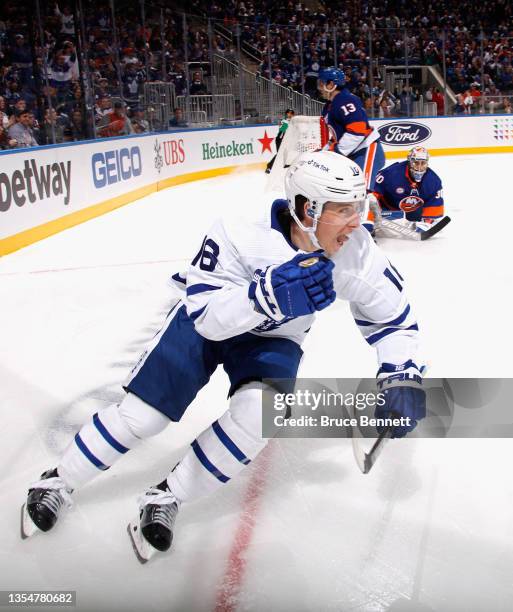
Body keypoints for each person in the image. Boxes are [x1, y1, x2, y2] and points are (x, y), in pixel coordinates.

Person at [21, 151, 425, 563]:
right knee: (143, 417)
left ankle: (166, 496)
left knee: (258, 416)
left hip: (275, 337)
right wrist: (265, 296)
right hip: (207, 322)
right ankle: (58, 481)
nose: (357, 222)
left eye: (357, 208)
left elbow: (393, 317)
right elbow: (207, 319)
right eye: (343, 210)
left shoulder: (357, 252)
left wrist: (400, 372)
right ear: (308, 208)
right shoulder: (239, 232)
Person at [317, 67, 385, 190]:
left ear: (331, 84)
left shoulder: (345, 100)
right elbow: (339, 136)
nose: (320, 87)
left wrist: (337, 152)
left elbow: (358, 131)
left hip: (367, 151)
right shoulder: (329, 106)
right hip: (353, 153)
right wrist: (325, 152)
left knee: (362, 190)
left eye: (322, 83)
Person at [367, 146, 444, 235]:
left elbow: (433, 205)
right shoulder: (391, 173)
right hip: (385, 209)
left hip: (410, 212)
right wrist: (372, 208)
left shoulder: (433, 180)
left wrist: (427, 223)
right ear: (410, 162)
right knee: (370, 204)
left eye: (423, 163)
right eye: (416, 163)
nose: (419, 167)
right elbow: (371, 190)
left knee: (419, 216)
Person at [265, 108, 295, 173]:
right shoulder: (284, 121)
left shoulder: (292, 122)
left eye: (291, 113)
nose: (290, 114)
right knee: (279, 154)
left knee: (285, 153)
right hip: (280, 140)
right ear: (286, 114)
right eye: (288, 113)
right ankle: (269, 167)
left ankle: (285, 166)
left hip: (286, 140)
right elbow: (282, 131)